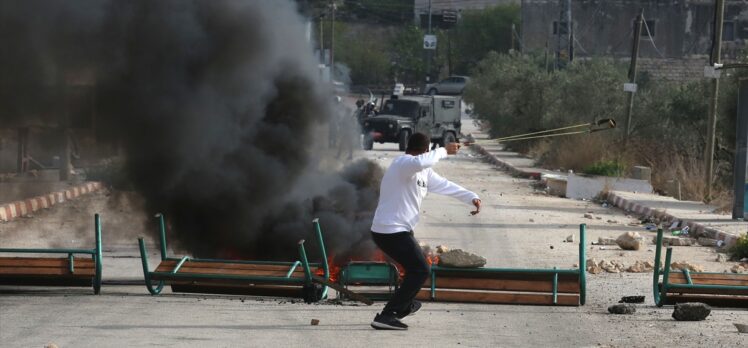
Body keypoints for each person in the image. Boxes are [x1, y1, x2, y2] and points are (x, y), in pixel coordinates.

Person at [369, 133, 481, 330]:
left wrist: (471, 197)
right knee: (420, 269)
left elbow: (446, 185)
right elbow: (420, 162)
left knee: (416, 269)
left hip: (400, 230)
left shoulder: (424, 172)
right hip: (389, 230)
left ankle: (403, 306)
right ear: (426, 150)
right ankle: (388, 315)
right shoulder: (403, 163)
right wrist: (445, 150)